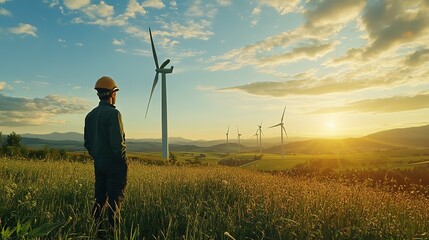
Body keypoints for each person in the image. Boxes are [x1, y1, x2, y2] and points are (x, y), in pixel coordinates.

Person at [84, 76, 128, 230]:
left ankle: (95, 230)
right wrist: (123, 162)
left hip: (99, 162)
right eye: (115, 92)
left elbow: (87, 143)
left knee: (99, 199)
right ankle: (113, 232)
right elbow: (118, 145)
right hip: (114, 164)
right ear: (112, 93)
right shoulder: (114, 114)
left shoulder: (90, 116)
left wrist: (97, 156)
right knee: (114, 203)